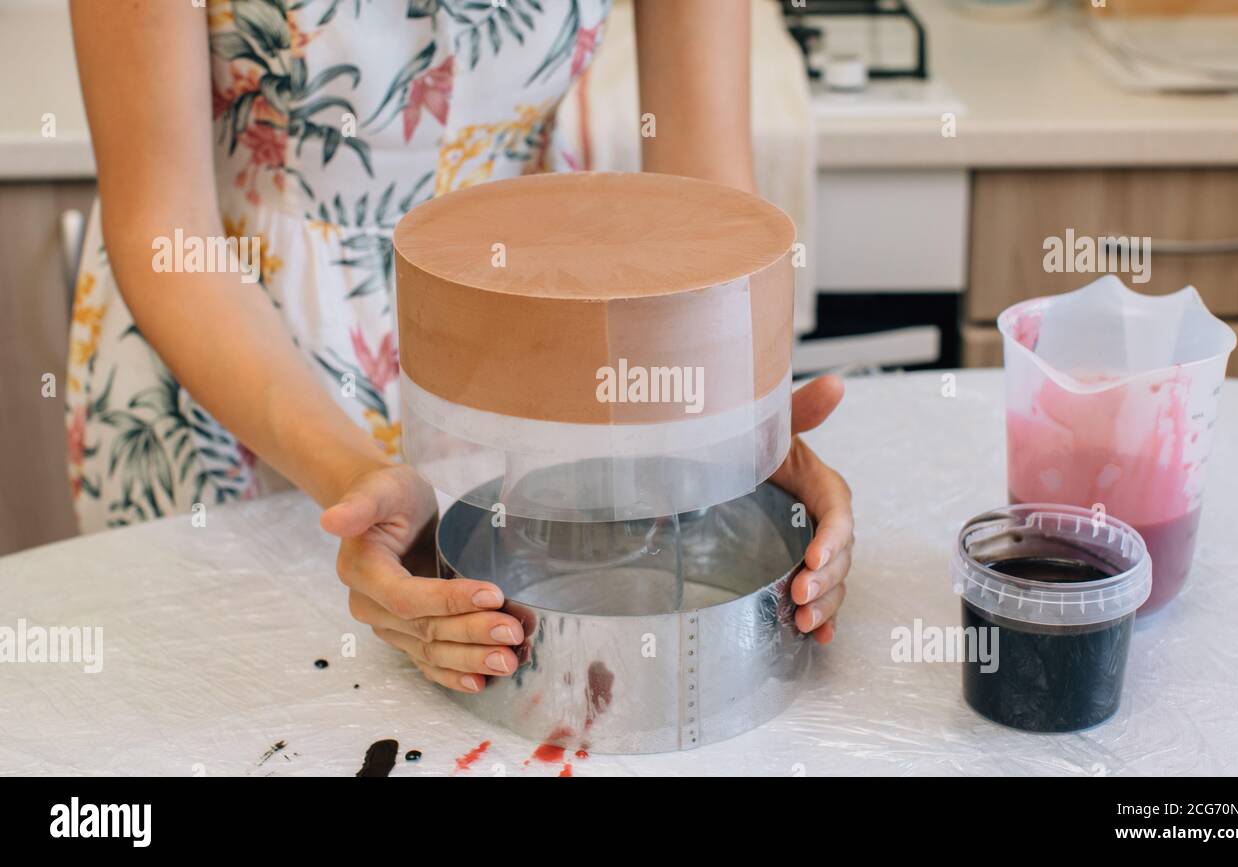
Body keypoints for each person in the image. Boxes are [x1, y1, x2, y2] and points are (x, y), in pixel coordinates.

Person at [67, 0, 853, 694]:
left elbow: (704, 207)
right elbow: (164, 228)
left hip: (537, 350)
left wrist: (734, 428)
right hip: (230, 371)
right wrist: (355, 476)